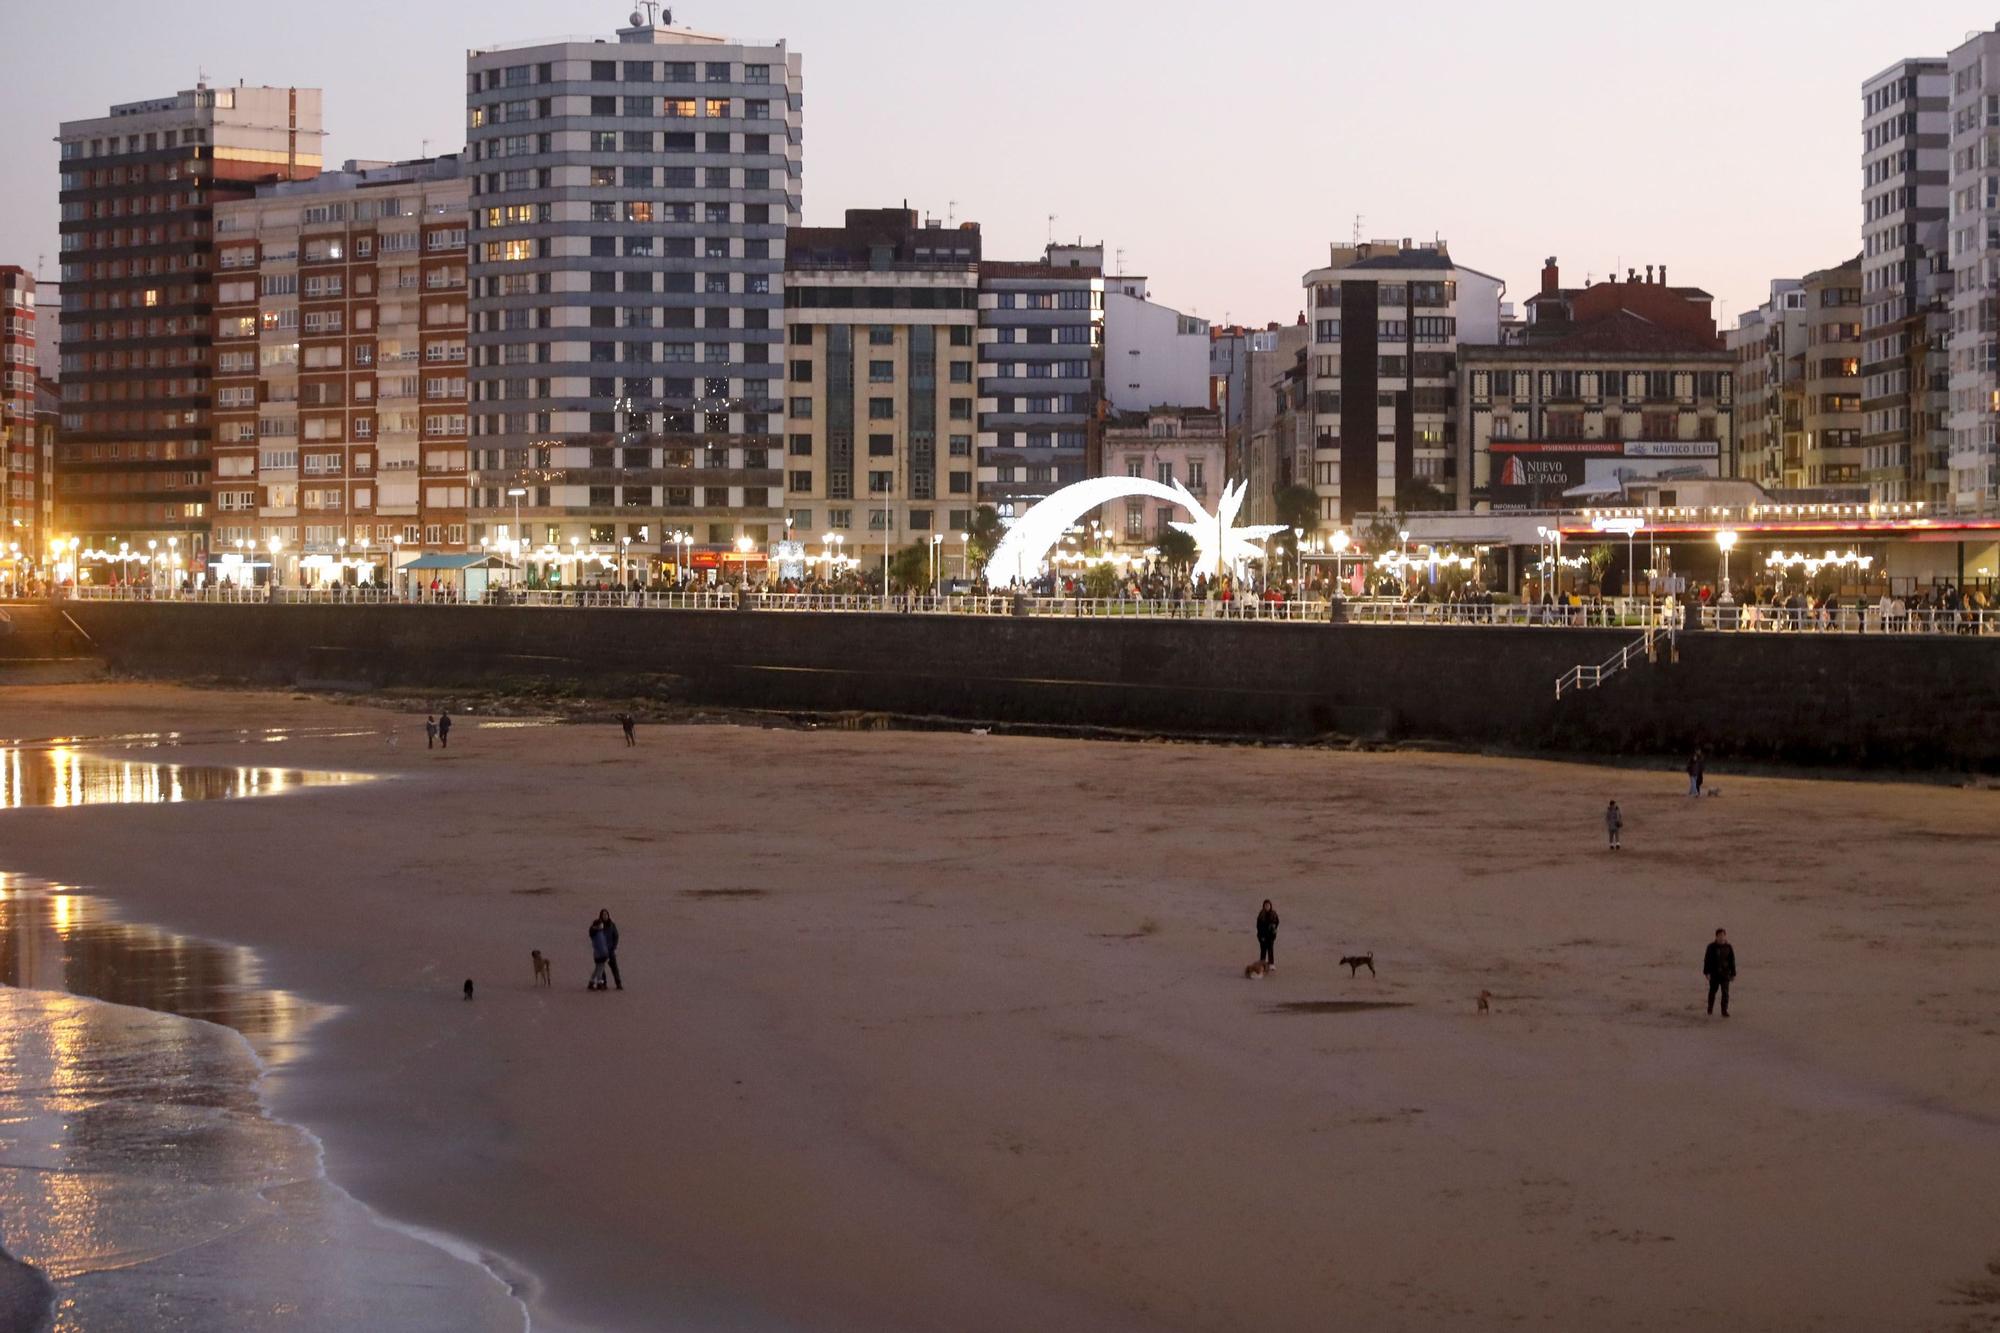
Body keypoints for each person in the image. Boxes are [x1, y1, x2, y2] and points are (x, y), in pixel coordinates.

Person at [1703, 928, 1736, 1017]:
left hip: (1725, 974)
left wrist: (1733, 973)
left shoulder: (1728, 947)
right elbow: (1707, 960)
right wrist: (1707, 972)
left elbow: (1732, 960)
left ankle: (1724, 1011)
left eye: (1723, 935)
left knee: (1725, 993)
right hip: (1714, 974)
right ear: (1716, 936)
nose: (1721, 937)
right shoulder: (1711, 947)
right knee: (1712, 992)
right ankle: (1710, 1008)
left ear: (1725, 936)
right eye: (1719, 936)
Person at [594, 908, 622, 990]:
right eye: (603, 915)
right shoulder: (598, 926)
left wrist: (614, 947)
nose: (605, 916)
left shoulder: (612, 925)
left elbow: (616, 936)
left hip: (610, 951)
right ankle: (604, 984)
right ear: (601, 916)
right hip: (601, 952)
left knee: (614, 968)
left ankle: (618, 983)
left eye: (606, 914)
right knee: (601, 970)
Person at [587, 914, 611, 991]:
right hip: (601, 955)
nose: (602, 925)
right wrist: (606, 955)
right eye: (601, 924)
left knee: (597, 969)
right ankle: (599, 983)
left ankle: (591, 981)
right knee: (600, 969)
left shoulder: (595, 933)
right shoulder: (599, 934)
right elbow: (602, 946)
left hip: (597, 954)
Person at [1255, 899, 1280, 969]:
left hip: (1271, 936)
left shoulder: (1274, 914)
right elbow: (1258, 926)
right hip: (1263, 936)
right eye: (1266, 905)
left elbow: (1277, 922)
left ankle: (1271, 963)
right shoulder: (1261, 914)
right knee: (1263, 950)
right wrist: (1261, 935)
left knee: (1270, 949)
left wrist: (1274, 927)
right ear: (1263, 906)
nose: (1267, 907)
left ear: (1270, 906)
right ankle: (1262, 963)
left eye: (1268, 905)